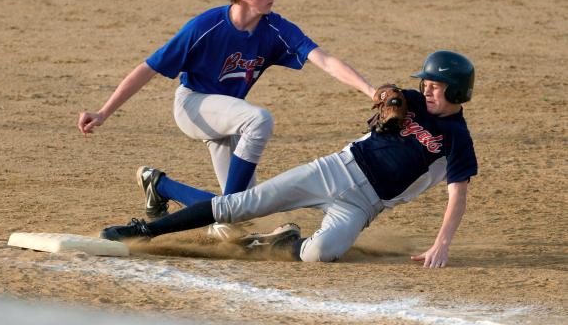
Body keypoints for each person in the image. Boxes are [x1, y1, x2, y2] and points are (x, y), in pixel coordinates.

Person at [78, 0, 376, 240]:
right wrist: (104, 112)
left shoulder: (275, 28)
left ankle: (160, 185)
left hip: (229, 117)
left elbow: (323, 59)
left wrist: (371, 90)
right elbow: (148, 68)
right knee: (259, 120)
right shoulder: (206, 27)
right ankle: (222, 212)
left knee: (243, 208)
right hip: (193, 105)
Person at [100, 51, 478, 268]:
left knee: (318, 254)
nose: (425, 90)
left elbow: (456, 196)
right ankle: (144, 230)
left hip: (364, 205)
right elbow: (384, 95)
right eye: (424, 83)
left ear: (456, 91)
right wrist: (385, 94)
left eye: (435, 86)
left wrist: (441, 244)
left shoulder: (458, 139)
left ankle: (277, 242)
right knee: (239, 205)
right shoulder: (410, 99)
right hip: (334, 169)